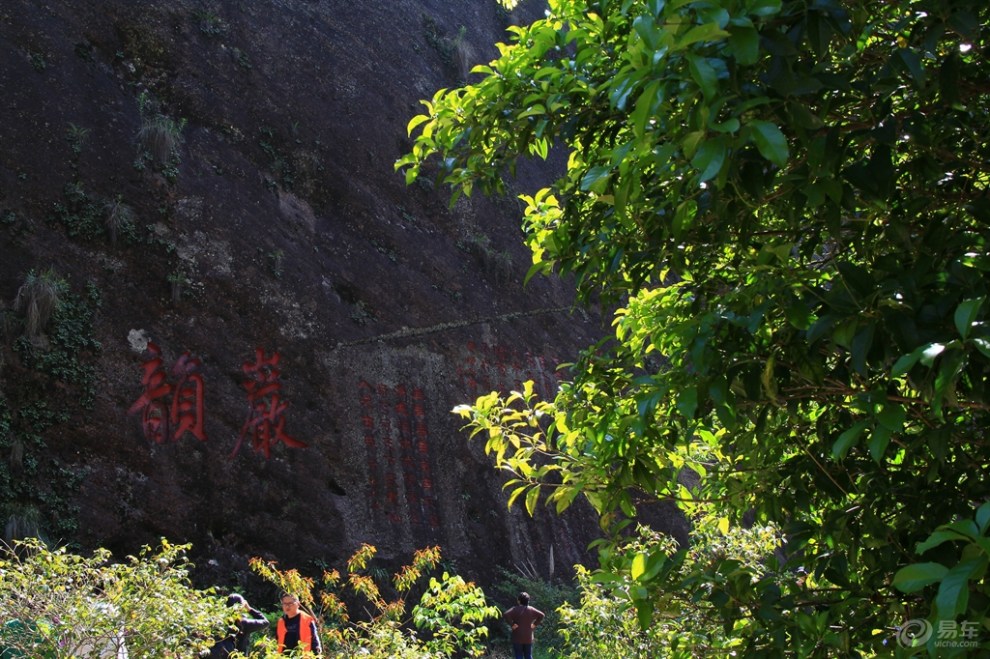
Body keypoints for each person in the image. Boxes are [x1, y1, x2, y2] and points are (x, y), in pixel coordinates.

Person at [208, 593, 270, 659]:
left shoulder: (219, 622)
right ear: (241, 607)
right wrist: (249, 609)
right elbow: (265, 622)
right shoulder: (245, 623)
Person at [503, 592, 545, 659]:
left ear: (519, 601)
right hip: (528, 637)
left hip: (517, 636)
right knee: (528, 655)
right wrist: (534, 624)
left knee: (518, 655)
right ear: (528, 601)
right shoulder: (531, 609)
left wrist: (512, 624)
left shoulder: (515, 609)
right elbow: (542, 615)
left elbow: (505, 614)